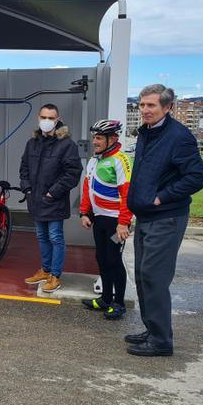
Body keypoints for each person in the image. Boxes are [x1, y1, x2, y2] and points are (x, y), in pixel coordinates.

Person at [125, 84, 203, 357]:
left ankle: (161, 341)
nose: (145, 110)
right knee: (141, 275)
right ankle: (152, 329)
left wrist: (161, 197)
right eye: (142, 105)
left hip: (166, 217)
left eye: (151, 105)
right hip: (146, 216)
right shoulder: (147, 133)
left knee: (154, 277)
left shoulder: (178, 136)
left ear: (167, 107)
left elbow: (197, 177)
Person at [20, 103, 82, 292]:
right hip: (36, 200)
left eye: (51, 118)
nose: (46, 121)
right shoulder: (32, 143)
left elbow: (72, 172)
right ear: (38, 118)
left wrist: (53, 192)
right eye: (44, 117)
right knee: (41, 236)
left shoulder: (66, 144)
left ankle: (55, 275)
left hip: (54, 200)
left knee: (55, 237)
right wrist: (27, 189)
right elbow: (24, 168)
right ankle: (45, 270)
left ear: (57, 119)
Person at [79, 119, 133, 320]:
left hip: (116, 223)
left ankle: (118, 303)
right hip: (100, 220)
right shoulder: (94, 160)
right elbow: (87, 189)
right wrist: (85, 212)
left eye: (99, 137)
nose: (95, 141)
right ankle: (105, 299)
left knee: (114, 260)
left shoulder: (121, 160)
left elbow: (127, 194)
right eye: (94, 137)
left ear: (113, 138)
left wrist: (123, 222)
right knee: (101, 258)